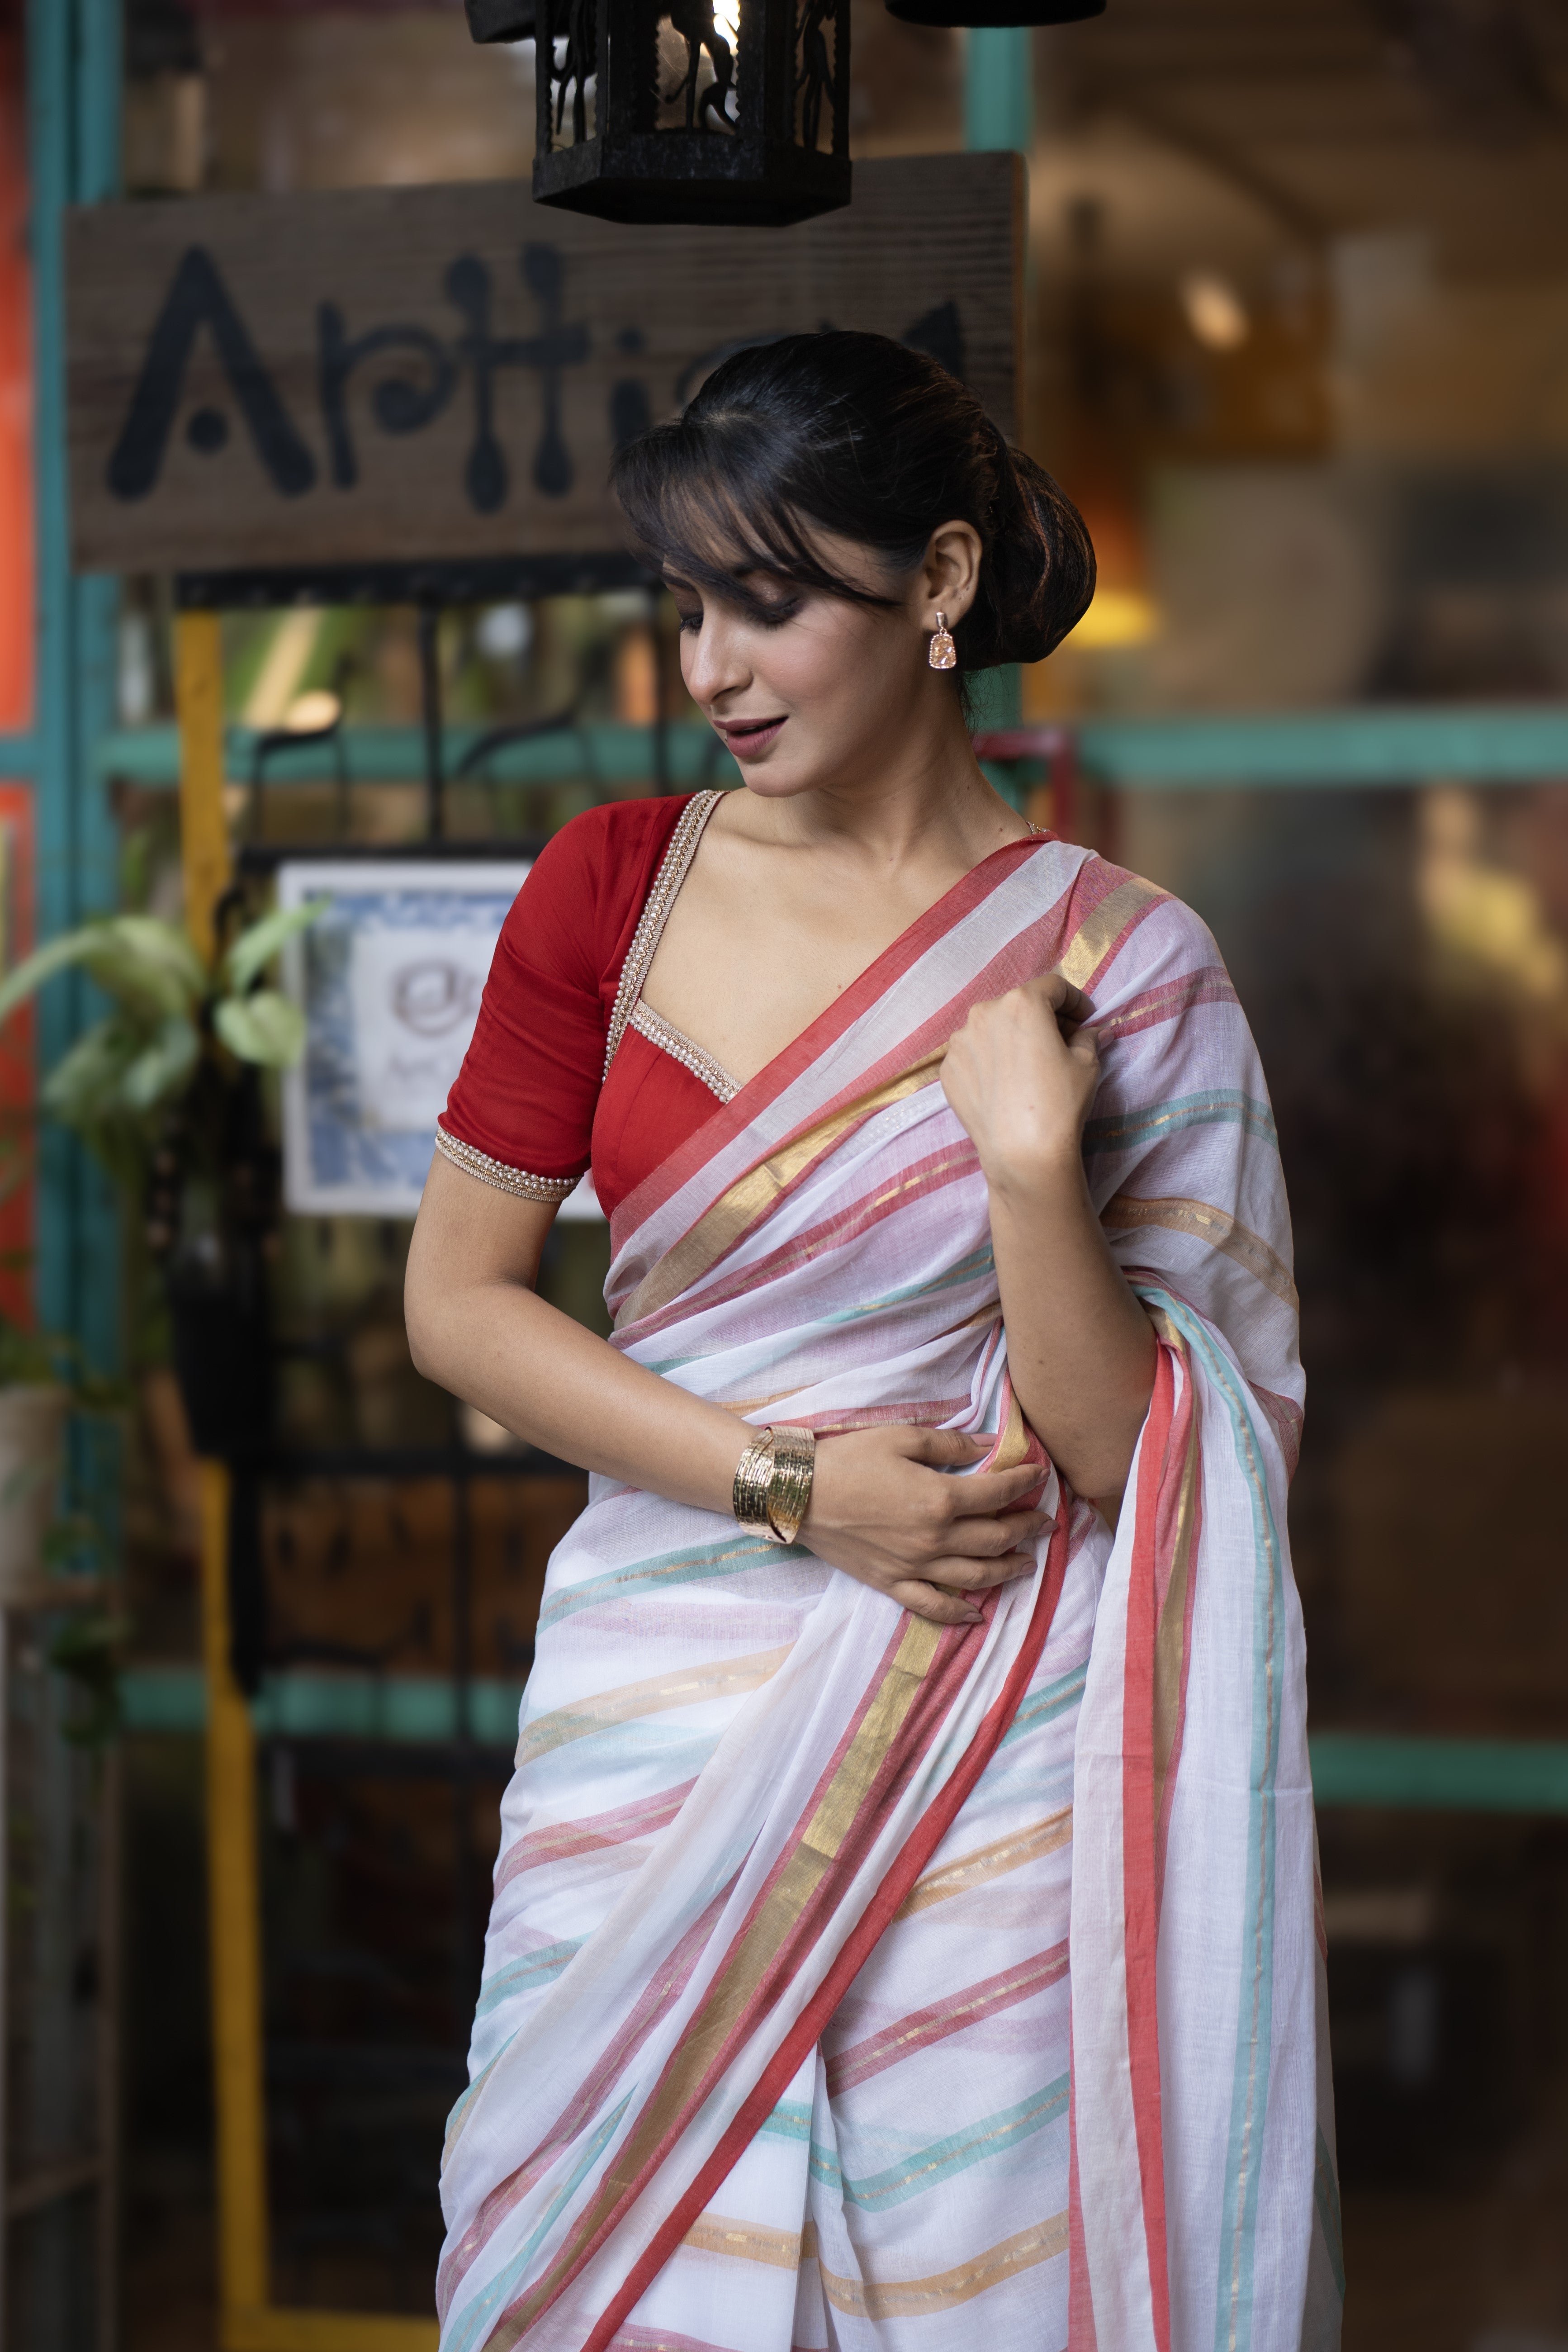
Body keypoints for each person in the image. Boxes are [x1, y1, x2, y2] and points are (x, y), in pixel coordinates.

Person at [406, 332, 1340, 2352]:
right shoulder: (608, 896)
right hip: (659, 1709)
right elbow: (457, 1305)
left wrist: (1027, 1170)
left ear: (933, 588)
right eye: (686, 610)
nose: (714, 667)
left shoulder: (1123, 964)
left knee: (963, 2265)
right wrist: (790, 1487)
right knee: (590, 2244)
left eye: (769, 600)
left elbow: (1149, 1458)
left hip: (989, 1746)